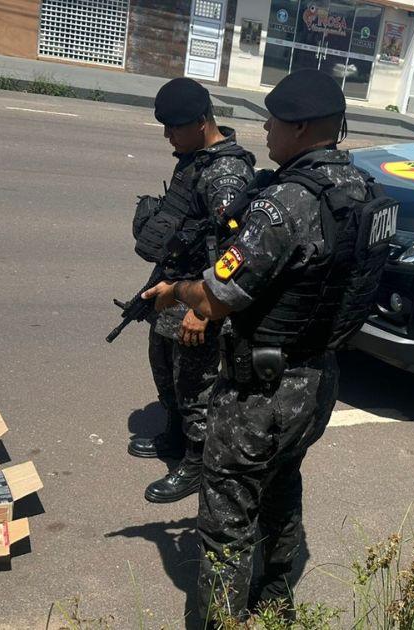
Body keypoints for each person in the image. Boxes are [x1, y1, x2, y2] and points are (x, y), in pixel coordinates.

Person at [143, 69, 397, 624]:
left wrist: (174, 292)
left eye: (274, 121)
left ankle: (221, 621)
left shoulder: (284, 204)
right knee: (282, 490)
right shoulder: (363, 191)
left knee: (226, 523)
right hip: (319, 380)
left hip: (262, 391)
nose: (265, 129)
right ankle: (278, 599)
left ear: (301, 127)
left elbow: (215, 298)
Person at [129, 78, 255, 504]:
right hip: (173, 285)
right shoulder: (195, 158)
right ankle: (174, 435)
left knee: (195, 386)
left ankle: (196, 463)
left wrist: (205, 309)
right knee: (164, 368)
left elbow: (237, 248)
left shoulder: (227, 174)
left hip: (198, 297)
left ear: (202, 122)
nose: (168, 135)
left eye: (174, 127)